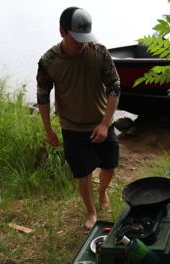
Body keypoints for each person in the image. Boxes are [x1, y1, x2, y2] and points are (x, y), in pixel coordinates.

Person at [36, 6, 120, 230]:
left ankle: (103, 193)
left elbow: (115, 86)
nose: (82, 43)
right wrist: (48, 129)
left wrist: (105, 123)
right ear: (62, 31)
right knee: (82, 173)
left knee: (110, 166)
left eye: (85, 38)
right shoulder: (49, 61)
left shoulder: (99, 52)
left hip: (102, 123)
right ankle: (91, 210)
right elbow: (42, 97)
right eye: (76, 38)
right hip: (72, 127)